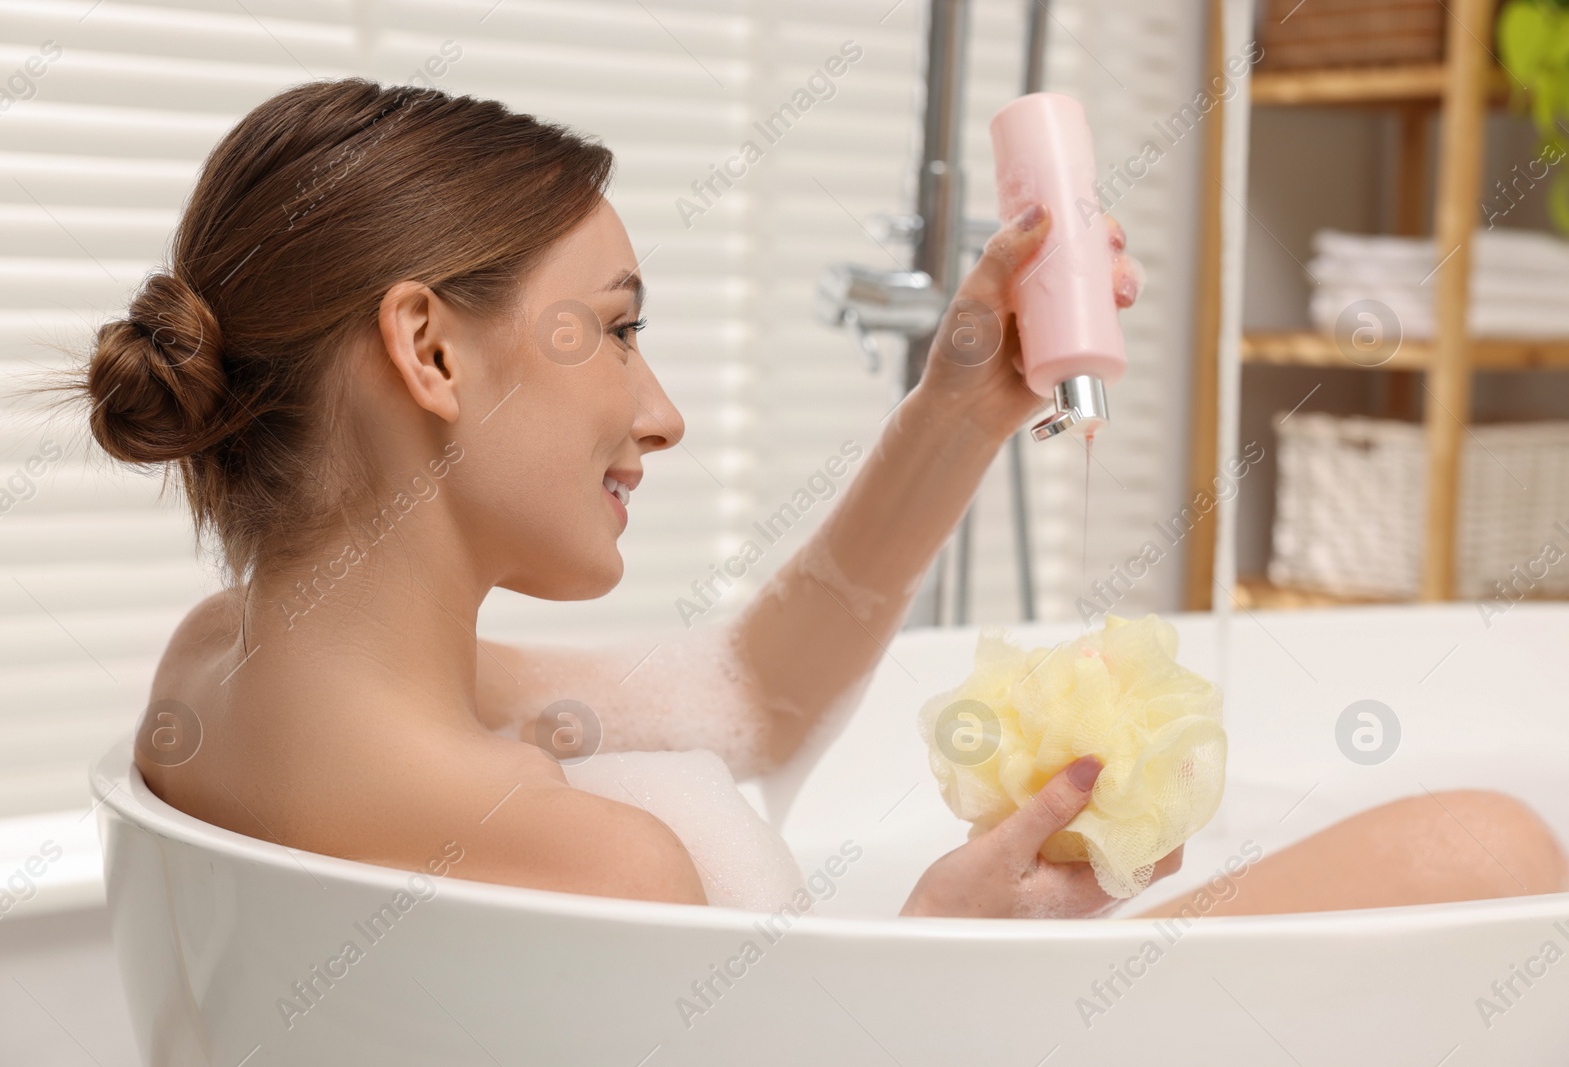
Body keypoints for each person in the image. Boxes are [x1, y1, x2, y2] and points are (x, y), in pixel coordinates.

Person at [76, 79, 1565, 919]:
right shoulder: (602, 867)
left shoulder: (219, 675)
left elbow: (746, 698)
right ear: (428, 348)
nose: (658, 413)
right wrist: (944, 954)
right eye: (618, 325)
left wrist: (958, 407)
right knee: (1484, 856)